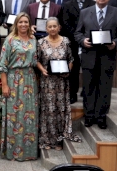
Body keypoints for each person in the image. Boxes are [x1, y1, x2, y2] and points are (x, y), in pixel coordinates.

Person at [75, 0, 117, 129]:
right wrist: (82, 41)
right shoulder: (85, 12)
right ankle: (89, 116)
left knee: (104, 88)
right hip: (89, 56)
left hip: (107, 56)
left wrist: (115, 43)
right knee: (89, 87)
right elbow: (77, 33)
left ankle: (101, 116)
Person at [36, 17, 81, 150]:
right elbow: (36, 60)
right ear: (46, 28)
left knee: (60, 110)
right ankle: (47, 140)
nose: (52, 29)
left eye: (55, 26)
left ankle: (59, 140)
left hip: (62, 82)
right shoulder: (40, 42)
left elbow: (71, 59)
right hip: (47, 82)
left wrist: (68, 70)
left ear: (59, 27)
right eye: (50, 26)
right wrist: (42, 70)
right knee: (48, 110)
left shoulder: (66, 41)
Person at [0, 12, 38, 161]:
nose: (23, 25)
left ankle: (29, 152)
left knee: (30, 116)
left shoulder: (33, 39)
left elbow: (35, 61)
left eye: (26, 22)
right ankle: (13, 152)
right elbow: (2, 65)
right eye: (20, 22)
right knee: (14, 117)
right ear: (16, 24)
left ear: (29, 24)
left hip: (30, 80)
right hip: (14, 80)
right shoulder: (10, 40)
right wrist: (4, 85)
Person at [58, 0, 95, 104]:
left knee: (89, 70)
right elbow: (65, 23)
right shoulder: (67, 5)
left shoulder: (93, 4)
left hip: (89, 42)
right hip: (72, 42)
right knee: (73, 70)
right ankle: (72, 94)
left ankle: (87, 93)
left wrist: (85, 38)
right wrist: (77, 37)